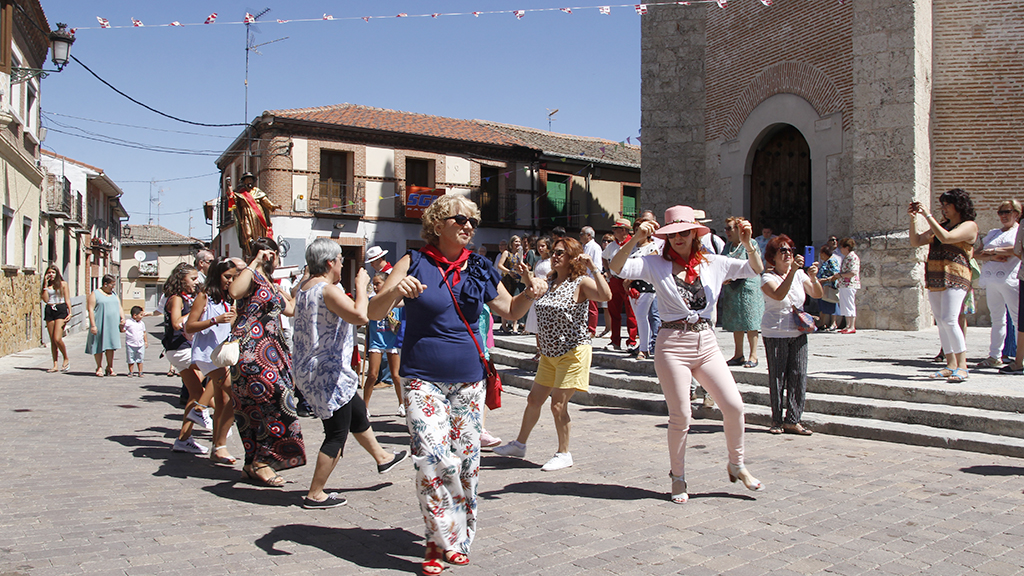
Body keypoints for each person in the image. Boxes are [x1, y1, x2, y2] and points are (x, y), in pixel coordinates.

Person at [368, 194, 543, 573]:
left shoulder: (480, 267)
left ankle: (460, 537)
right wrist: (396, 292)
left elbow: (511, 310)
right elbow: (373, 311)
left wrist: (531, 292)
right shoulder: (412, 261)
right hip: (422, 379)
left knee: (466, 464)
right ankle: (437, 539)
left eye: (472, 221)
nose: (467, 226)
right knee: (432, 459)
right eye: (459, 219)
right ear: (437, 224)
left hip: (469, 381)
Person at [610, 205, 765, 504]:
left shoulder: (715, 263)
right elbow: (617, 268)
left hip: (706, 343)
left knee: (734, 406)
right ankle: (678, 477)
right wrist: (634, 239)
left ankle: (737, 464)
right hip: (672, 344)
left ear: (695, 233)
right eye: (672, 234)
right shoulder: (655, 263)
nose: (679, 238)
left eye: (684, 232)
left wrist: (748, 243)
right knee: (681, 415)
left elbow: (755, 269)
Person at [293, 238, 407, 509]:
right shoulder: (327, 290)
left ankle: (382, 457)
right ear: (330, 262)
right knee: (335, 434)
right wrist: (360, 286)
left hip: (315, 368)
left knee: (356, 411)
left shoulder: (304, 287)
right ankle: (315, 493)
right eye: (341, 258)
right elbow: (360, 316)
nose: (343, 263)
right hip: (326, 372)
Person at [493, 237, 611, 470]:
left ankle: (564, 453)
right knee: (534, 399)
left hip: (574, 350)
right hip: (549, 352)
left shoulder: (582, 282)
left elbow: (606, 296)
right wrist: (526, 276)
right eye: (554, 252)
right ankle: (520, 444)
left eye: (561, 252)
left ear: (573, 257)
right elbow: (534, 294)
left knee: (558, 404)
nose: (555, 256)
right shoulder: (549, 280)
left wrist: (594, 267)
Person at [227, 237, 306, 486]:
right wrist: (255, 262)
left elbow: (290, 309)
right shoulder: (250, 275)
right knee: (276, 403)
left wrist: (302, 281)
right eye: (272, 254)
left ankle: (251, 463)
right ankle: (263, 461)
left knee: (254, 409)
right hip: (252, 351)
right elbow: (234, 292)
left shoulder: (270, 283)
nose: (275, 258)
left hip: (270, 351)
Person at [909, 189, 979, 383]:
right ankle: (950, 364)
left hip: (956, 276)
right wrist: (913, 219)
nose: (944, 209)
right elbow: (916, 241)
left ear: (959, 206)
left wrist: (928, 215)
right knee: (941, 321)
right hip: (936, 276)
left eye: (948, 205)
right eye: (943, 205)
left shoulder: (969, 226)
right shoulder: (941, 226)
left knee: (950, 319)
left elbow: (947, 237)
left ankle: (963, 365)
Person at [761, 236, 822, 435]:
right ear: (773, 257)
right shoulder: (767, 278)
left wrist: (813, 277)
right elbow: (778, 295)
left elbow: (817, 294)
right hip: (776, 331)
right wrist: (793, 271)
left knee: (798, 375)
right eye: (782, 251)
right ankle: (777, 420)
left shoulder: (799, 275)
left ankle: (793, 419)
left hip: (798, 330)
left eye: (790, 250)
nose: (788, 254)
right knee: (778, 377)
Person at [184, 258, 240, 465]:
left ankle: (217, 447)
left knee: (223, 401)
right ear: (217, 275)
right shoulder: (204, 296)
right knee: (236, 396)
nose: (230, 281)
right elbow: (189, 326)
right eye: (227, 277)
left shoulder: (228, 298)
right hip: (207, 355)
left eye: (233, 277)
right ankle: (220, 445)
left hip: (223, 354)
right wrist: (216, 320)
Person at [162, 264, 210, 454]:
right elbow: (176, 323)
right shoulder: (176, 299)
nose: (196, 282)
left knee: (195, 394)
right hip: (181, 349)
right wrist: (196, 313)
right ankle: (225, 415)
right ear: (182, 279)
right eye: (193, 279)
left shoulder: (185, 298)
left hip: (180, 349)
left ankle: (184, 438)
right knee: (210, 385)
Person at [974, 200, 1021, 369]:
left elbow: (1016, 249)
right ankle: (995, 355)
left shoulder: (1018, 231)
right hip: (993, 280)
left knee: (1017, 319)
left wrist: (993, 251)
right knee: (997, 319)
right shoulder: (994, 233)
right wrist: (993, 257)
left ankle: (1020, 357)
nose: (1003, 216)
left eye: (1007, 212)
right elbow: (977, 253)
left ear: (1016, 213)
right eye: (1000, 212)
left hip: (1010, 279)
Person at [718, 217, 764, 368]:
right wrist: (723, 278)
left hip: (748, 286)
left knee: (751, 321)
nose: (727, 232)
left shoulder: (751, 244)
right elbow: (723, 263)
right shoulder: (728, 246)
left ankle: (753, 355)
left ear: (739, 229)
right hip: (732, 288)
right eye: (726, 228)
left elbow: (756, 264)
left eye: (730, 228)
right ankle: (738, 354)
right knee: (736, 321)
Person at [365, 272, 405, 417]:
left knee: (396, 375)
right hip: (377, 340)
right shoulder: (371, 300)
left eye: (378, 283)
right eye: (373, 284)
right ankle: (365, 406)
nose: (375, 287)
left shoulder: (396, 301)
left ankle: (402, 404)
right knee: (372, 374)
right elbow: (365, 316)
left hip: (392, 340)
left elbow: (401, 320)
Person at [625, 220, 660, 360]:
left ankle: (644, 349)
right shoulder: (633, 247)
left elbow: (647, 266)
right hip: (633, 288)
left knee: (641, 316)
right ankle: (643, 345)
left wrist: (629, 279)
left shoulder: (652, 247)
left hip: (646, 286)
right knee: (639, 317)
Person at [602, 218, 639, 351]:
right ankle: (615, 341)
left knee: (631, 311)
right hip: (615, 280)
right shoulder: (612, 245)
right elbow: (604, 257)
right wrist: (607, 271)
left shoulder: (634, 243)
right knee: (614, 311)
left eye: (616, 229)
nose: (613, 231)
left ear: (624, 230)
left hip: (629, 281)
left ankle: (632, 341)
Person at [231, 173, 281, 259]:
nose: (249, 182)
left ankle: (259, 246)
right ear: (244, 181)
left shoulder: (257, 191)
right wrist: (230, 192)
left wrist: (273, 206)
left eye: (250, 180)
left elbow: (265, 201)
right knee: (247, 233)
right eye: (247, 180)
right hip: (246, 214)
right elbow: (233, 200)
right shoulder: (241, 193)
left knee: (260, 232)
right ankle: (250, 247)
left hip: (258, 215)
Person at [85, 274, 124, 377]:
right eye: (112, 284)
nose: (113, 287)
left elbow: (119, 307)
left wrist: (122, 319)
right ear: (105, 284)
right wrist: (93, 325)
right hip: (100, 322)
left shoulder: (114, 294)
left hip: (112, 324)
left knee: (110, 345)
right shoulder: (95, 294)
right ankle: (99, 367)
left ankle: (110, 366)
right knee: (98, 345)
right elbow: (91, 309)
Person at [41, 264, 71, 373]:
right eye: (49, 272)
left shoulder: (63, 284)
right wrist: (44, 283)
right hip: (50, 309)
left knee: (57, 338)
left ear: (57, 274)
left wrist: (70, 312)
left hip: (60, 308)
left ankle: (66, 358)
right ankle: (54, 364)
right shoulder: (47, 287)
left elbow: (67, 299)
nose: (51, 275)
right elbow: (45, 299)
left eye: (53, 273)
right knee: (53, 340)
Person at [826, 239, 860, 334]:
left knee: (849, 304)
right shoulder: (847, 257)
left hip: (849, 284)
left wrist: (840, 275)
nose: (840, 249)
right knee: (845, 304)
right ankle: (848, 325)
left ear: (847, 248)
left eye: (842, 247)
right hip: (844, 284)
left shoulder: (852, 257)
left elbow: (853, 272)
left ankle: (852, 326)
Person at [496, 235, 526, 334]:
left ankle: (514, 326)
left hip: (516, 279)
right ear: (512, 243)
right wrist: (509, 272)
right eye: (516, 241)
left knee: (515, 300)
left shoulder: (518, 254)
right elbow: (499, 265)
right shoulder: (506, 253)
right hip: (507, 279)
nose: (518, 244)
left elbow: (521, 264)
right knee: (506, 301)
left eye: (519, 242)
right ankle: (504, 325)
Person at [579, 226, 605, 336]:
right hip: (580, 280)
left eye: (582, 234)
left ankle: (591, 330)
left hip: (590, 279)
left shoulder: (595, 247)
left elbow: (598, 266)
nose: (580, 236)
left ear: (589, 235)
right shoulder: (582, 247)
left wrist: (590, 277)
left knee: (592, 307)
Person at [816, 244, 841, 331]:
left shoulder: (832, 261)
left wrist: (825, 279)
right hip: (823, 286)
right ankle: (823, 323)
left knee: (832, 303)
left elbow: (836, 274)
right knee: (823, 305)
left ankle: (834, 323)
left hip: (829, 286)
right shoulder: (826, 261)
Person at [123, 306, 149, 377]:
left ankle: (140, 371)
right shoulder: (128, 322)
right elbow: (122, 330)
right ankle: (131, 371)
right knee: (130, 358)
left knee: (140, 358)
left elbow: (144, 332)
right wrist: (121, 325)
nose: (142, 316)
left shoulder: (142, 323)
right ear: (135, 315)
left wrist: (145, 341)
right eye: (140, 315)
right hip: (130, 344)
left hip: (140, 344)